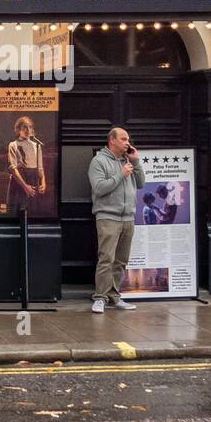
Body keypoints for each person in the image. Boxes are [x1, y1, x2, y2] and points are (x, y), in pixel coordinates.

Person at [89, 126, 146, 312]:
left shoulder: (128, 160)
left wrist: (136, 163)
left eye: (128, 139)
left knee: (121, 260)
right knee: (106, 258)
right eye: (123, 139)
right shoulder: (99, 161)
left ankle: (114, 296)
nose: (127, 143)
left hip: (128, 217)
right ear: (112, 140)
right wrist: (120, 174)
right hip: (108, 216)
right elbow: (99, 188)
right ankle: (100, 298)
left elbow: (141, 184)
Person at [5, 115, 46, 214]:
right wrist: (25, 186)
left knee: (32, 210)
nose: (28, 130)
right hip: (19, 180)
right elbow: (13, 168)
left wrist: (43, 182)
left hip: (33, 179)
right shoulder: (13, 145)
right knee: (16, 210)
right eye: (25, 127)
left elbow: (40, 167)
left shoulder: (37, 145)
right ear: (18, 129)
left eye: (30, 127)